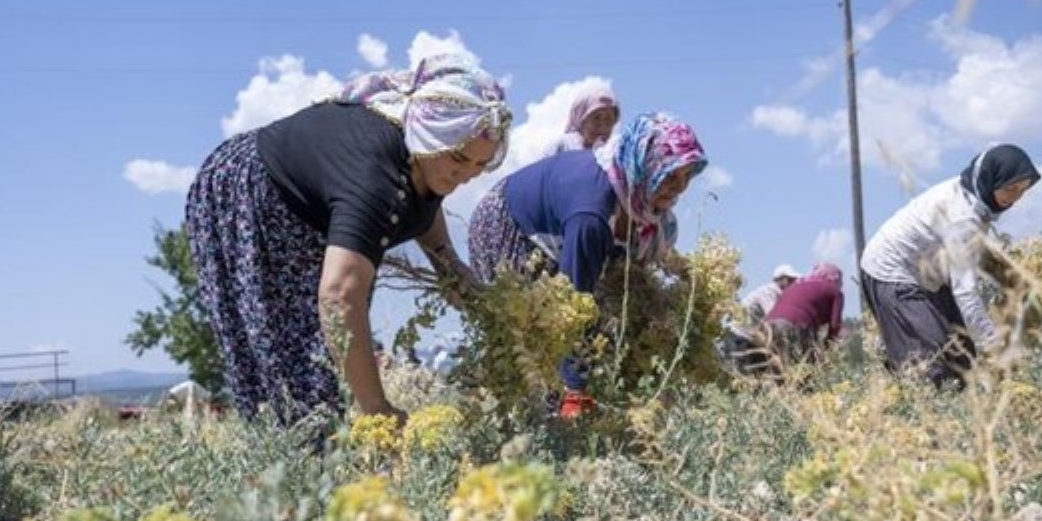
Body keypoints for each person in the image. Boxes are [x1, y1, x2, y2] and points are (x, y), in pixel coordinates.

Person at [186, 53, 510, 426]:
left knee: (327, 366)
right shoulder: (377, 182)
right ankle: (297, 472)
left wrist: (466, 284)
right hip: (249, 194)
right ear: (429, 136)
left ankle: (322, 462)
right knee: (296, 379)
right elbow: (339, 298)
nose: (466, 174)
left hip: (310, 216)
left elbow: (434, 229)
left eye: (479, 165)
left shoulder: (431, 164)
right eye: (459, 158)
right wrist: (379, 413)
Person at [468, 112, 708, 416]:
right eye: (670, 176)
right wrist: (575, 390)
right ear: (643, 166)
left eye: (686, 178)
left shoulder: (638, 204)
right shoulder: (592, 215)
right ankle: (531, 420)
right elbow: (574, 301)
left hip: (563, 236)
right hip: (510, 225)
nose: (679, 188)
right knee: (529, 342)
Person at [860, 144, 1041, 388]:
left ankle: (962, 417)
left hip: (930, 273)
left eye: (1022, 190)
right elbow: (965, 292)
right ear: (990, 179)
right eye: (1010, 189)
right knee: (929, 365)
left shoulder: (972, 193)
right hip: (893, 272)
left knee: (961, 357)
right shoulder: (964, 217)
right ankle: (907, 413)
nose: (1015, 198)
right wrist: (995, 345)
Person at [762, 262, 845, 368]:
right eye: (840, 280)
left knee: (775, 372)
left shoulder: (797, 285)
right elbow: (835, 326)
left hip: (768, 326)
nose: (841, 284)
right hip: (795, 325)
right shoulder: (835, 291)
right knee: (804, 372)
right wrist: (827, 351)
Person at [549, 84, 619, 155]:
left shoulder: (612, 155)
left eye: (608, 119)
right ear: (581, 119)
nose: (602, 126)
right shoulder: (564, 146)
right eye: (596, 118)